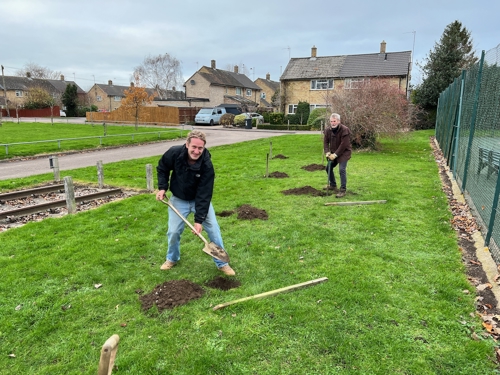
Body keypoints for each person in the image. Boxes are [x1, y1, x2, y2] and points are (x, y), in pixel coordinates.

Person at [155, 130, 235, 276]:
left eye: (200, 148)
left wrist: (199, 220)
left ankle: (222, 263)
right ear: (187, 144)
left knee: (214, 232)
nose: (197, 151)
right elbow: (162, 168)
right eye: (194, 147)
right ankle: (172, 259)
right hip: (178, 199)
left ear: (204, 148)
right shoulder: (174, 153)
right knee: (173, 232)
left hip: (199, 200)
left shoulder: (207, 165)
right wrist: (162, 188)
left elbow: (204, 194)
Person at [323, 113, 352, 198]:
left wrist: (335, 155)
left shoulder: (344, 130)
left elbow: (344, 145)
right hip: (333, 152)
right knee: (328, 167)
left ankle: (343, 190)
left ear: (338, 121)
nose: (333, 123)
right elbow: (325, 142)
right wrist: (327, 152)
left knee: (342, 169)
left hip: (344, 153)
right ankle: (333, 185)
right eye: (331, 121)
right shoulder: (328, 130)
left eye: (334, 121)